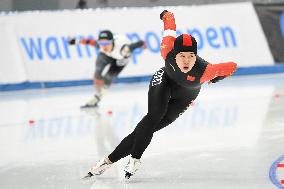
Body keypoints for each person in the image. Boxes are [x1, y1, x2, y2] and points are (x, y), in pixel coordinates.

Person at [83, 10, 237, 180]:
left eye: (191, 56)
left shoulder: (206, 71)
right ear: (174, 54)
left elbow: (232, 66)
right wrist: (166, 14)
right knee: (153, 117)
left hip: (186, 95)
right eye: (182, 56)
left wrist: (216, 78)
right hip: (164, 81)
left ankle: (107, 161)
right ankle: (135, 159)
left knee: (146, 129)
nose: (186, 61)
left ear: (196, 55)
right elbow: (169, 26)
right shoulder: (166, 50)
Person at [69, 30, 146, 108]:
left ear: (112, 42)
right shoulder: (101, 46)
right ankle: (97, 94)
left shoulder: (124, 49)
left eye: (106, 43)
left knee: (108, 78)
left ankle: (98, 97)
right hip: (107, 54)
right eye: (101, 43)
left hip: (121, 58)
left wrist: (143, 44)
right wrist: (75, 41)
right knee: (97, 72)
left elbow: (138, 43)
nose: (104, 46)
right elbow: (89, 41)